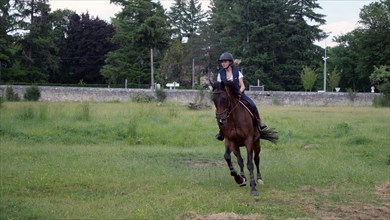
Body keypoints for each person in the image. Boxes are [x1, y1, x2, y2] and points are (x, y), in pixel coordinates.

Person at [215, 52, 267, 141]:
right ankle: (221, 131)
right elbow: (219, 87)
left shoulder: (236, 72)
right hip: (227, 97)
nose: (223, 63)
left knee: (252, 104)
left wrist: (240, 92)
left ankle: (258, 123)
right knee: (219, 111)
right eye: (222, 61)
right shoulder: (220, 74)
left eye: (225, 61)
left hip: (239, 95)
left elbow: (243, 85)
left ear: (230, 62)